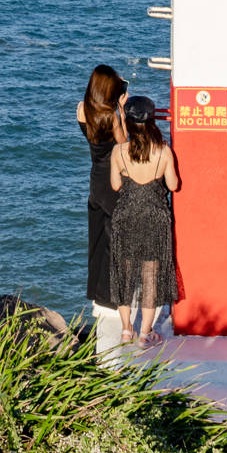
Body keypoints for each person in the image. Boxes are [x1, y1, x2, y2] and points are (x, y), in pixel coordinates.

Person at [109, 93, 179, 347]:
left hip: (126, 217)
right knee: (151, 277)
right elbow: (174, 184)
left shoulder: (118, 151)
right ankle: (145, 333)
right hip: (154, 219)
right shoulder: (163, 152)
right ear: (152, 123)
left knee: (124, 275)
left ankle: (126, 329)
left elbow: (116, 185)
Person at [76, 64, 127, 309]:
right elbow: (124, 145)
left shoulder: (82, 110)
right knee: (113, 238)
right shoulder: (112, 117)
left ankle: (96, 290)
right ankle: (110, 295)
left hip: (95, 176)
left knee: (96, 237)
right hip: (112, 179)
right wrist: (122, 111)